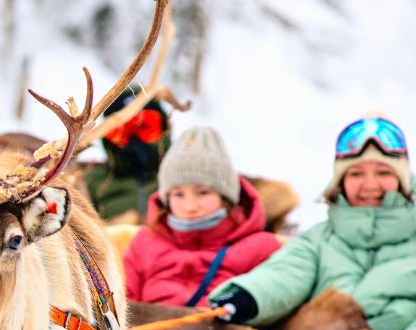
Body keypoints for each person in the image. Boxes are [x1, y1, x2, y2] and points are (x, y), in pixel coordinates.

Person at [208, 116, 416, 330]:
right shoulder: (317, 241)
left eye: (384, 173)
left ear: (403, 181)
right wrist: (249, 296)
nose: (370, 184)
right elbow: (284, 276)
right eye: (356, 174)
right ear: (340, 182)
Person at [124, 126, 282, 307]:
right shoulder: (144, 243)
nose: (190, 207)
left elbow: (274, 296)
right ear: (166, 198)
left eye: (203, 193)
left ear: (224, 197)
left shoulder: (261, 247)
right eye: (178, 195)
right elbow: (123, 300)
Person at [83, 87, 171, 224]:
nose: (134, 140)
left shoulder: (184, 182)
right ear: (106, 136)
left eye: (145, 126)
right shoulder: (89, 184)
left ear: (164, 129)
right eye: (122, 130)